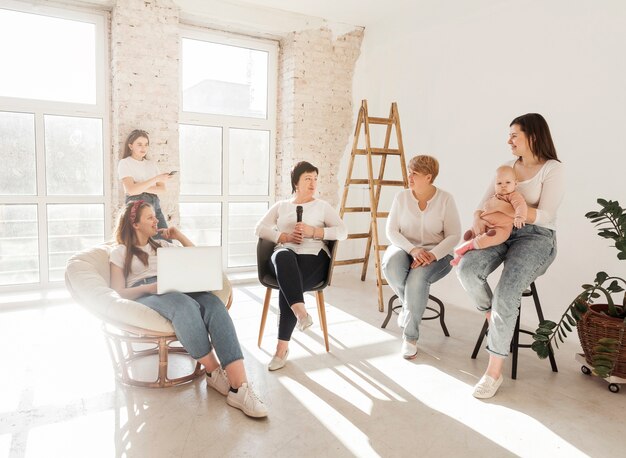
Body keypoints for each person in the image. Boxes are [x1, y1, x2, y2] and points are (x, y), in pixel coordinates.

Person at [109, 200, 268, 418]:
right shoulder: (120, 252)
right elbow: (119, 291)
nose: (156, 220)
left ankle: (240, 388)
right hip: (146, 292)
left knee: (214, 305)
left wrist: (179, 236)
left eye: (155, 216)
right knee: (185, 306)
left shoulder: (162, 246)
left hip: (174, 284)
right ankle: (213, 372)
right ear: (135, 224)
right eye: (150, 217)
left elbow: (199, 260)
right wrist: (151, 288)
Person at [456, 113, 565, 399]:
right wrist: (478, 219)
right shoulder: (506, 167)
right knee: (466, 268)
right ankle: (491, 315)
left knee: (507, 290)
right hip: (500, 230)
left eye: (514, 135)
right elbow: (482, 204)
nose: (509, 140)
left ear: (533, 136)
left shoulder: (552, 169)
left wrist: (511, 210)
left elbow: (546, 214)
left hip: (536, 237)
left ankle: (493, 372)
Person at [254, 161, 347, 371]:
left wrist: (314, 232)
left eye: (315, 178)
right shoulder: (282, 206)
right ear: (296, 182)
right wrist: (283, 236)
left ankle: (281, 349)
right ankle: (301, 314)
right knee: (282, 257)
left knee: (289, 284)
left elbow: (343, 231)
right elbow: (259, 228)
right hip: (287, 256)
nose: (313, 183)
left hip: (313, 258)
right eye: (308, 178)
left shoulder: (322, 206)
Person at [382, 155, 461, 359]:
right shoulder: (401, 197)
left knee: (417, 279)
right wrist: (413, 250)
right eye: (409, 171)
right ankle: (410, 307)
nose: (409, 176)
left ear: (428, 177)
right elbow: (391, 231)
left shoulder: (445, 199)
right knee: (390, 264)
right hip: (406, 250)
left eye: (414, 173)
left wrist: (432, 255)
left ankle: (410, 337)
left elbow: (454, 235)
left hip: (438, 256)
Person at [450, 165, 527, 266]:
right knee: (470, 233)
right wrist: (478, 219)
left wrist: (520, 217)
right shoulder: (493, 197)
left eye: (508, 182)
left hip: (500, 228)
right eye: (499, 183)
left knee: (493, 237)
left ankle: (469, 245)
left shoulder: (514, 196)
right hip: (484, 222)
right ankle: (460, 254)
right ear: (494, 185)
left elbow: (521, 206)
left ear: (515, 183)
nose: (503, 185)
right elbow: (482, 209)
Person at [118, 129, 172, 238]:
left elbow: (162, 189)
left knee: (165, 241)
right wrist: (155, 179)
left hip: (155, 206)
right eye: (139, 144)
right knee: (142, 242)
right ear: (130, 146)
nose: (143, 148)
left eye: (146, 144)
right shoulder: (125, 163)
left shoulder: (151, 164)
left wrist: (140, 186)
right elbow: (131, 190)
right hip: (137, 208)